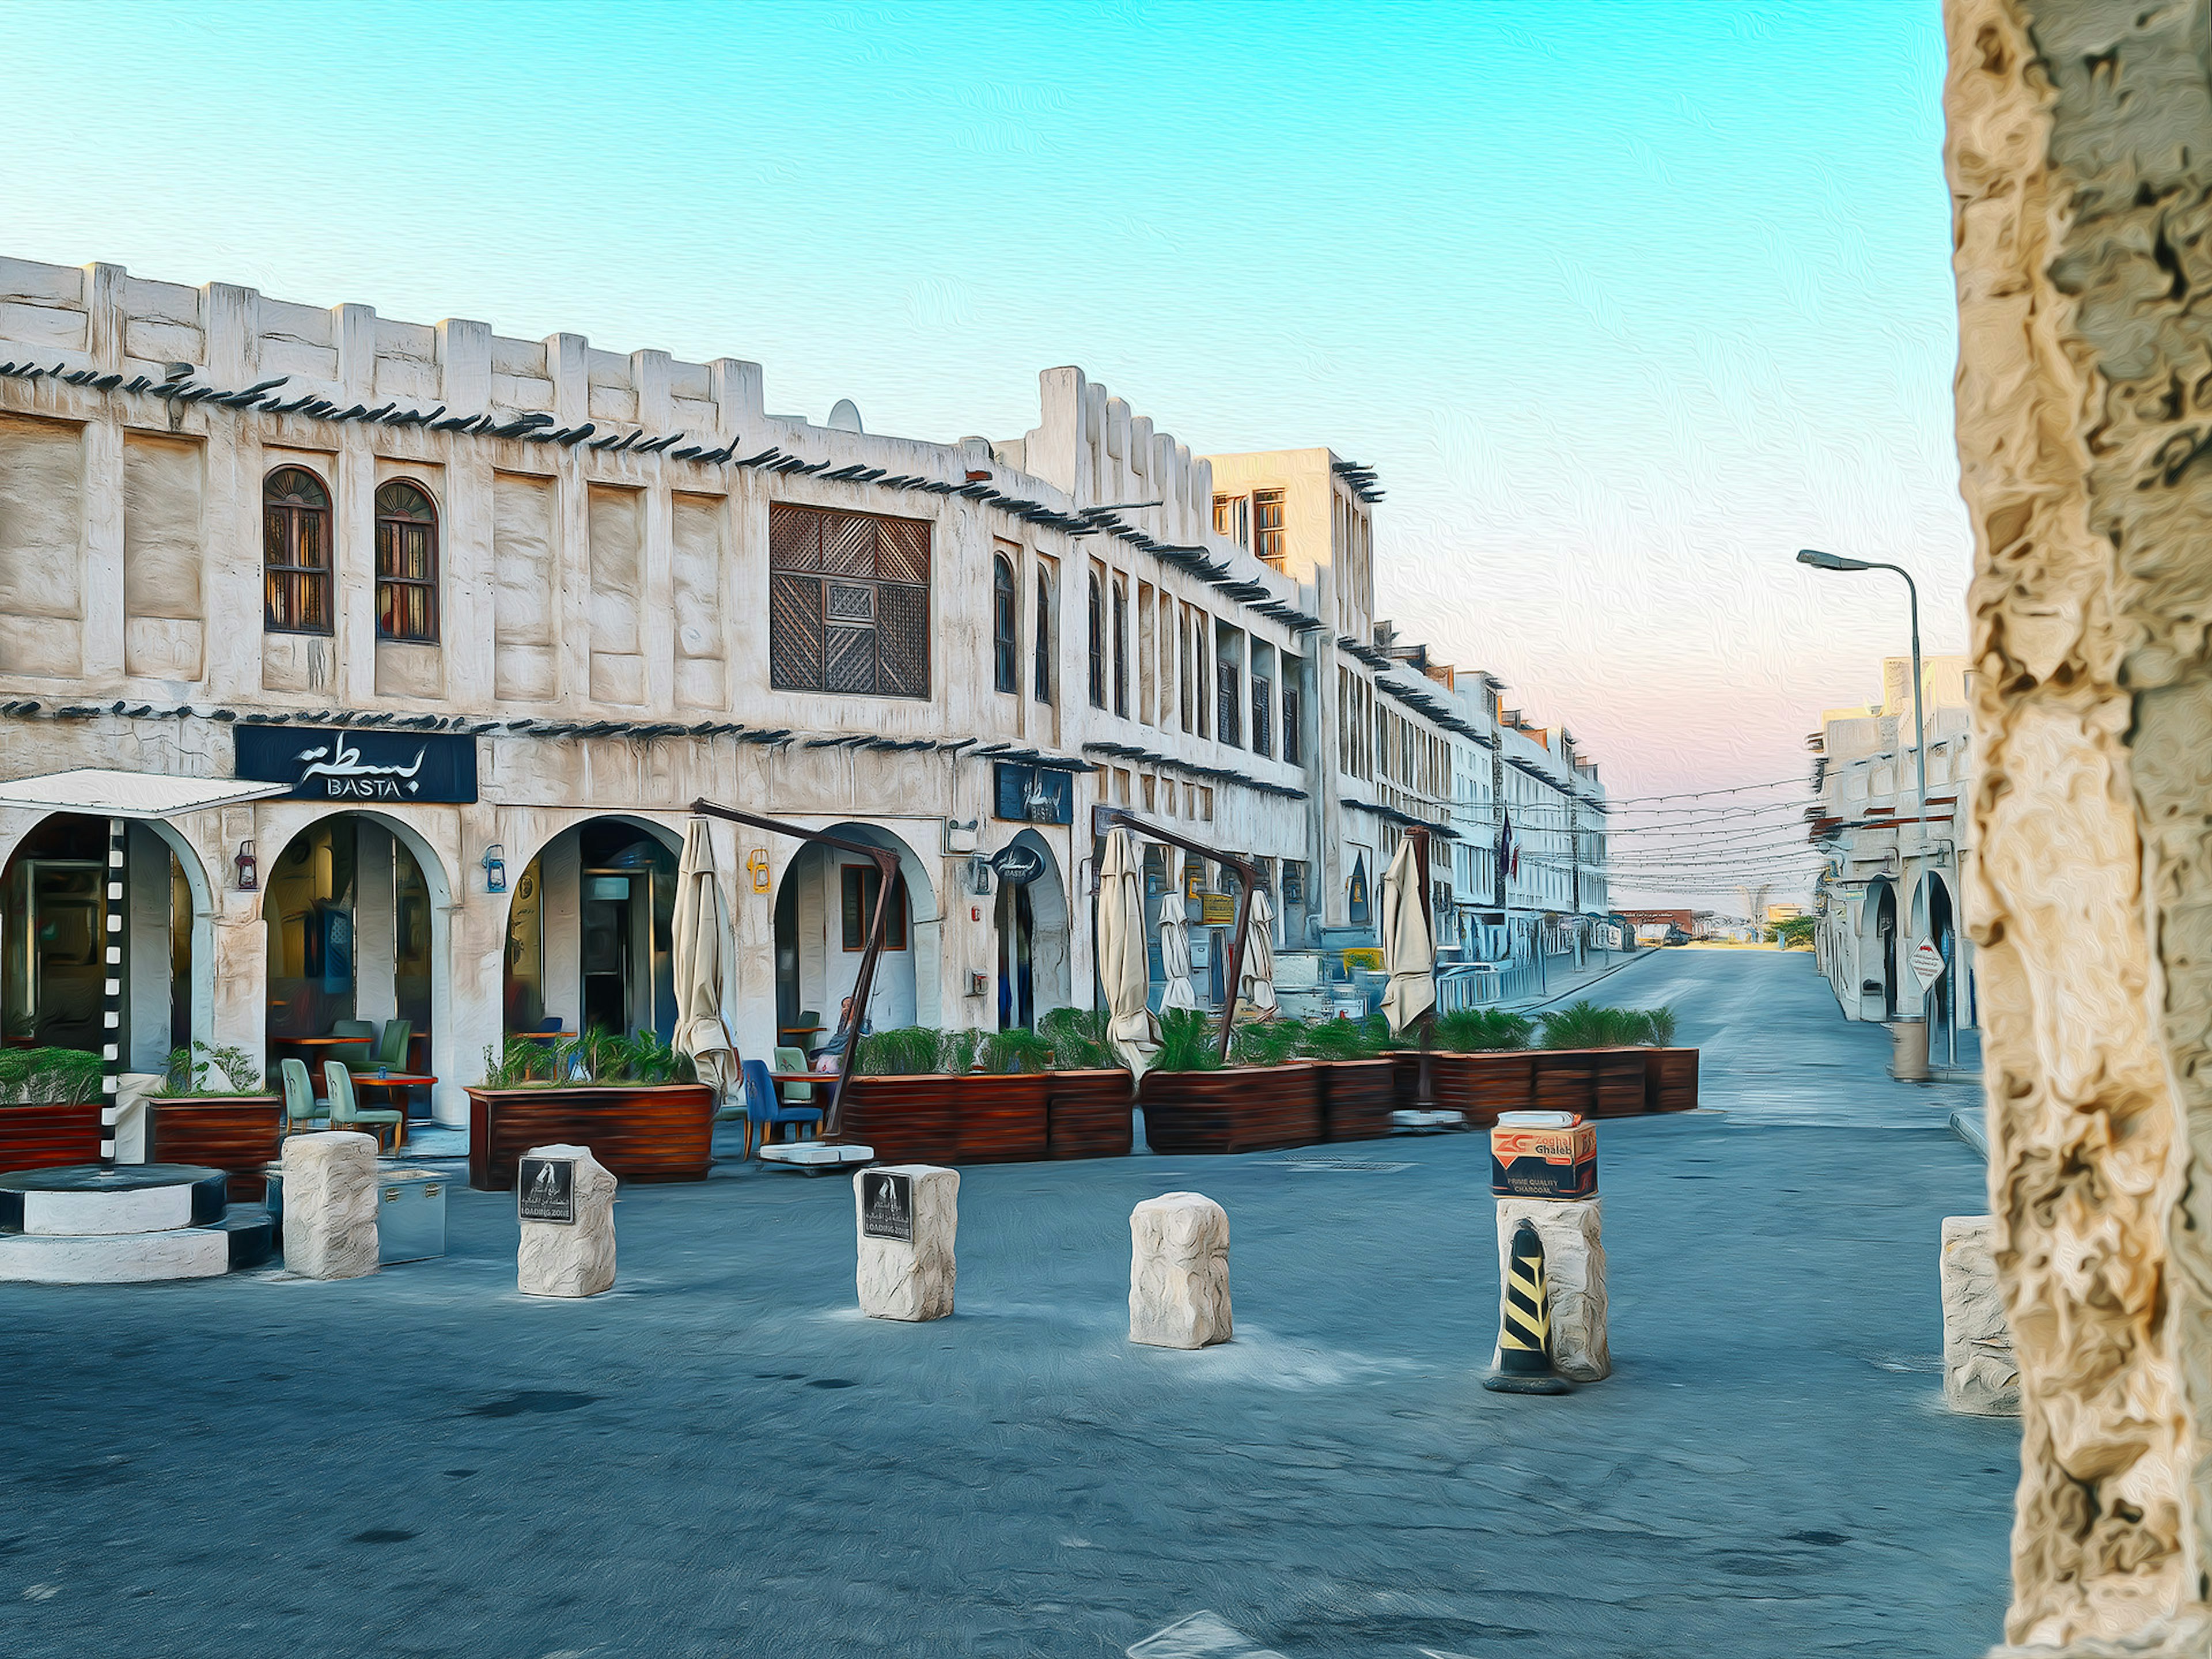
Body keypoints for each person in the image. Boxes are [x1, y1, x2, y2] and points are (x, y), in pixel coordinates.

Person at [813, 996, 870, 1074]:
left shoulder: (861, 1026)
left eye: (849, 1006)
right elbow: (837, 1041)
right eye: (843, 1007)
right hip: (831, 1054)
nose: (846, 1009)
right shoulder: (842, 1026)